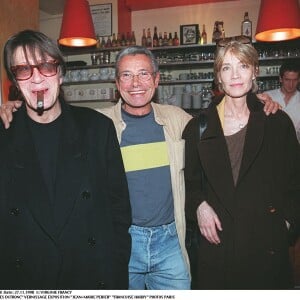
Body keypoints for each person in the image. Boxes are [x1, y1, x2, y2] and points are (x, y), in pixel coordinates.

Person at [0, 45, 280, 290]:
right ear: (116, 83)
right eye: (126, 75)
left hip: (171, 241)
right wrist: (16, 107)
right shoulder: (95, 127)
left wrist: (258, 100)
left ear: (157, 80)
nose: (136, 83)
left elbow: (218, 131)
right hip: (124, 241)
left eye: (144, 74)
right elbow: (50, 127)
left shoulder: (179, 120)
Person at [0, 29, 131, 290]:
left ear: (60, 74)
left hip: (90, 277)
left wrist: (114, 273)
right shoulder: (4, 135)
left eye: (46, 66)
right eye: (24, 70)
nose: (37, 78)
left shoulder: (97, 129)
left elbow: (120, 213)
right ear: (15, 81)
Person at [182, 40, 300, 289]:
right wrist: (200, 205)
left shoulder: (277, 122)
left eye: (243, 66)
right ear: (218, 77)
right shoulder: (198, 128)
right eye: (226, 68)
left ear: (255, 71)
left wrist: (286, 223)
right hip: (218, 246)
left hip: (265, 245)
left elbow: (295, 180)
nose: (235, 75)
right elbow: (188, 183)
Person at [264, 61, 300, 143]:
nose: (291, 84)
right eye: (287, 80)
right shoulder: (267, 97)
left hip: (294, 148)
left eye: (294, 80)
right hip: (270, 146)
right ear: (280, 79)